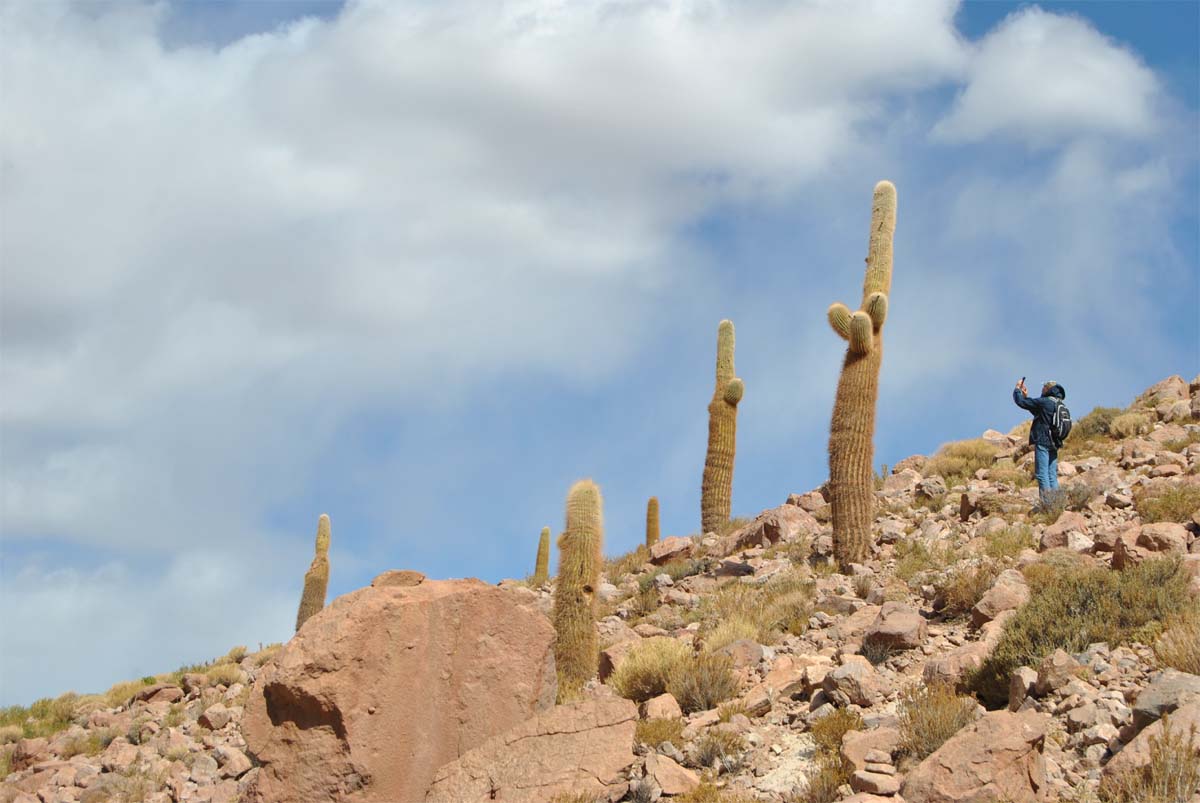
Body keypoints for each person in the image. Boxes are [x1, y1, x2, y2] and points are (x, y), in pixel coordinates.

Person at [1013, 378, 1067, 510]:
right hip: (1054, 442)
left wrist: (1017, 390)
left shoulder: (1045, 402)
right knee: (1051, 475)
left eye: (1043, 388)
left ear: (1047, 389)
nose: (1042, 390)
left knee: (1042, 474)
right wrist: (1027, 396)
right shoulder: (1059, 404)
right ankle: (1057, 505)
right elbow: (1040, 413)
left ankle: (1048, 506)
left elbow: (1021, 403)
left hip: (1043, 441)